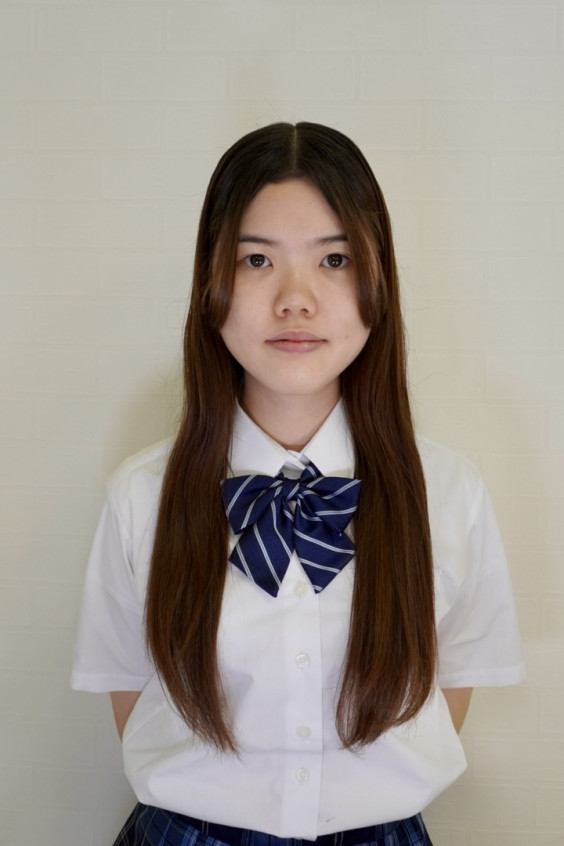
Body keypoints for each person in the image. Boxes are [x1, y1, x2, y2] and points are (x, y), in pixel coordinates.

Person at [71, 122, 524, 846]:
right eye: (256, 259)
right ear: (211, 283)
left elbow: (455, 679)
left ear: (378, 281)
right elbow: (131, 687)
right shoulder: (141, 494)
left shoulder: (448, 491)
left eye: (334, 259)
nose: (296, 299)